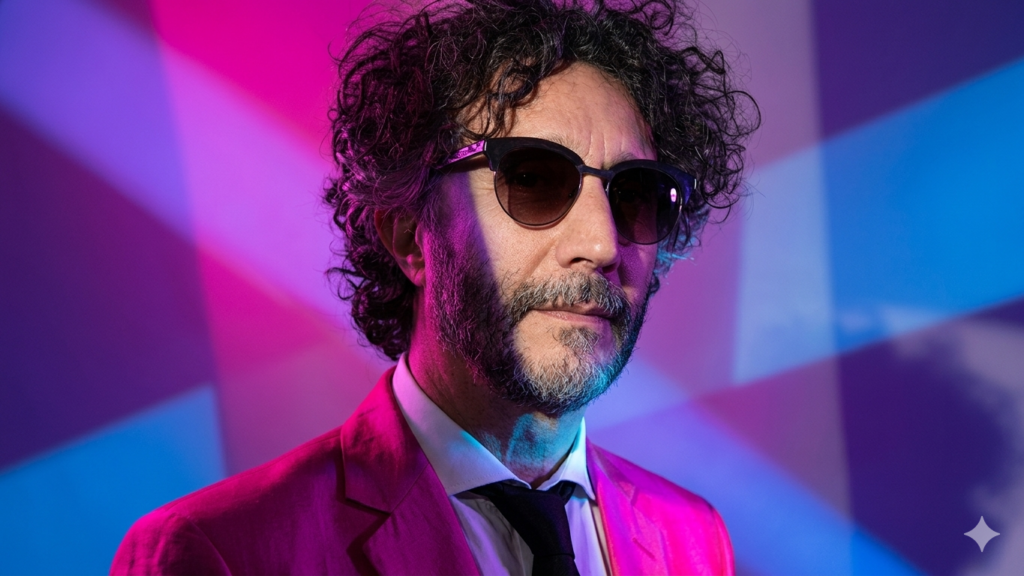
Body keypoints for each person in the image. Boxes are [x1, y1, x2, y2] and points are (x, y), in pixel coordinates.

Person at [111, 0, 758, 574]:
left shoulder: (693, 539)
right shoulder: (219, 553)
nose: (602, 244)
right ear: (408, 235)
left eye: (638, 192)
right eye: (532, 179)